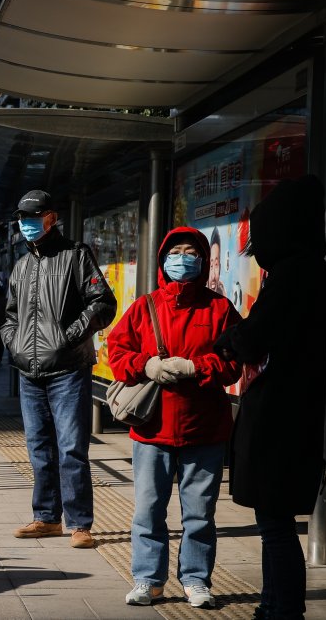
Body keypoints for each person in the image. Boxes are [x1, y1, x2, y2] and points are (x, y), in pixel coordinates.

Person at [213, 177, 326, 620]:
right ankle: (272, 607)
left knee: (276, 528)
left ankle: (282, 611)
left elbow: (253, 336)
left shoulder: (294, 275)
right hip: (294, 416)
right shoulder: (313, 272)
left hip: (280, 421)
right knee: (275, 526)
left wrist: (231, 338)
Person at [106, 227, 242, 609]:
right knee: (148, 510)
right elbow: (116, 354)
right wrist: (146, 365)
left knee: (200, 513)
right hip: (152, 429)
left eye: (191, 252)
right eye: (176, 252)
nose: (184, 258)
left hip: (205, 429)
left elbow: (233, 364)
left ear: (203, 261)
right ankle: (148, 579)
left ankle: (196, 579)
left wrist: (195, 368)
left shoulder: (219, 309)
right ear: (164, 260)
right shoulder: (144, 306)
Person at [0, 189, 116, 549]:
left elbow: (104, 303)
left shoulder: (76, 255)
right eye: (22, 218)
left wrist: (69, 336)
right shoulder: (21, 264)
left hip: (68, 368)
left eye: (33, 217)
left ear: (51, 218)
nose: (27, 224)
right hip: (30, 371)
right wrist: (14, 344)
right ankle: (46, 518)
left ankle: (80, 523)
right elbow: (10, 316)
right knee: (38, 448)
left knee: (71, 448)